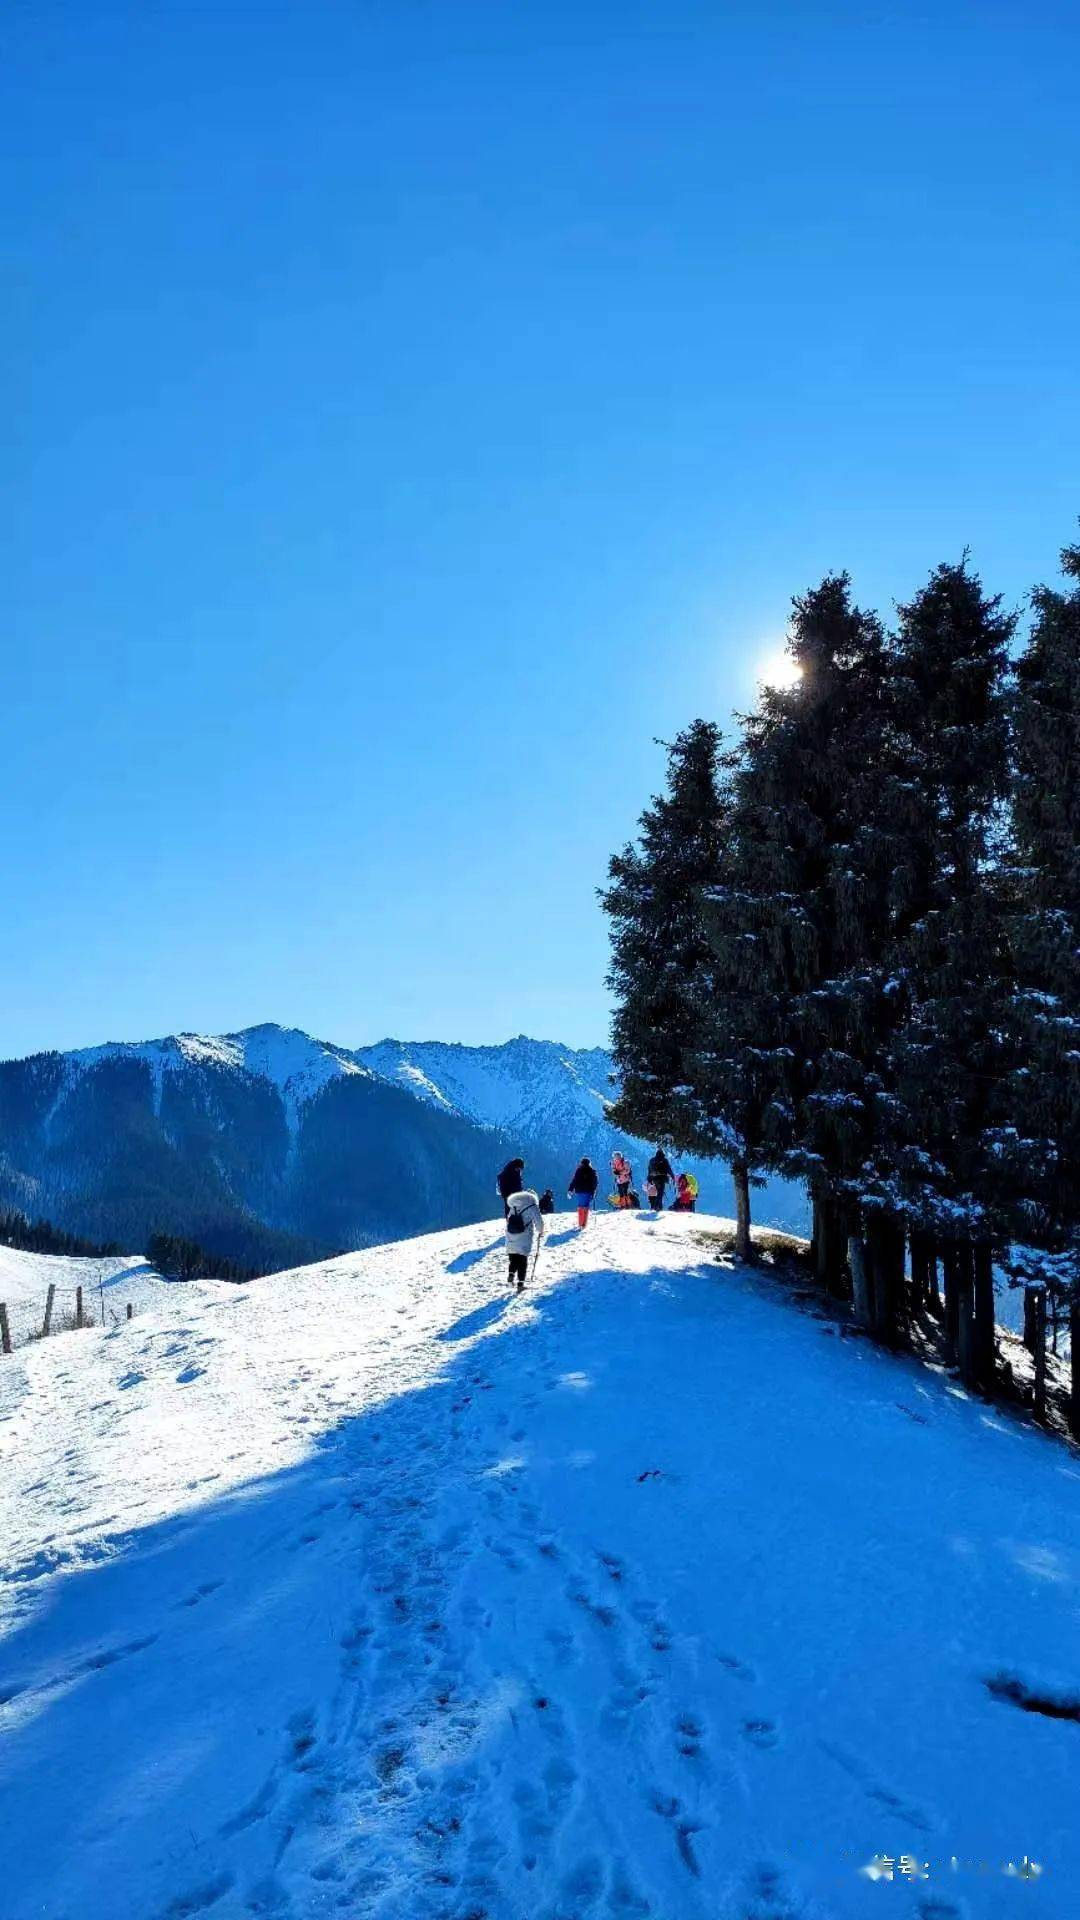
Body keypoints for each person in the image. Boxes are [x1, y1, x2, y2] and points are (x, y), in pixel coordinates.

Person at [505, 1185, 543, 1293]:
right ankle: (520, 1284)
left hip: (511, 1234)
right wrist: (541, 1231)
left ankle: (511, 1275)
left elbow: (508, 1219)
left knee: (513, 1257)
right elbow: (538, 1221)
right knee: (522, 1259)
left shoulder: (514, 1205)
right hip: (524, 1235)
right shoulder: (532, 1205)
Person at [567, 1156, 600, 1229]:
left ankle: (580, 1223)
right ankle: (583, 1224)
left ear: (581, 1163)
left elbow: (574, 1180)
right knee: (586, 1206)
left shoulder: (579, 1170)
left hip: (579, 1191)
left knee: (580, 1206)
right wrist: (594, 1191)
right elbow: (595, 1182)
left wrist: (570, 1190)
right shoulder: (592, 1171)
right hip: (588, 1191)